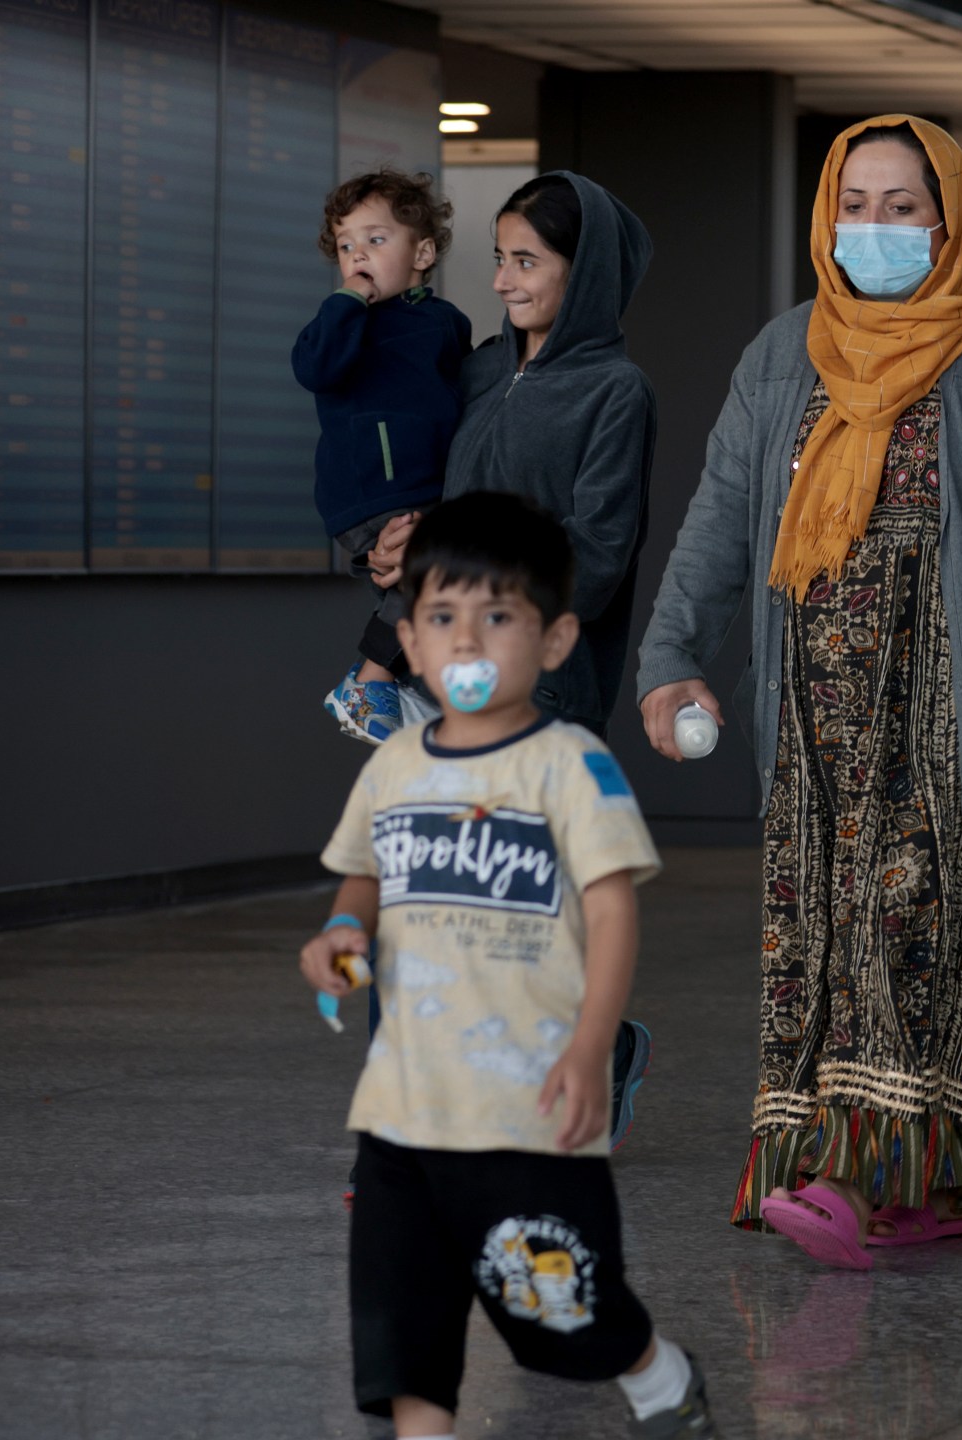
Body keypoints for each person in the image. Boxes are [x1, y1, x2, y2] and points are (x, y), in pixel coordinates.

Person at [634, 116, 962, 1266]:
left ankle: (852, 1179)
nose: (876, 228)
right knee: (825, 935)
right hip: (816, 714)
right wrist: (670, 653)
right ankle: (906, 1185)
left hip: (949, 703)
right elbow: (716, 521)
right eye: (856, 204)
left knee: (919, 934)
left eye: (903, 206)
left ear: (947, 220)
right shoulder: (785, 351)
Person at [299, 493, 717, 1438]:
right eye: (442, 618)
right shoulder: (396, 764)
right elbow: (364, 874)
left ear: (557, 639)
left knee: (564, 1313)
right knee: (406, 1335)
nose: (468, 643)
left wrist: (587, 1051)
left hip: (528, 1110)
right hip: (403, 1113)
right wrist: (340, 934)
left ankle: (655, 1374)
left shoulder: (570, 767)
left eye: (499, 618)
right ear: (409, 635)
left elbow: (612, 915)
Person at [370, 169, 661, 1148]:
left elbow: (601, 551)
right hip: (436, 689)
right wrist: (384, 545)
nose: (501, 280)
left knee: (523, 918)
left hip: (546, 694)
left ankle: (596, 1050)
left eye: (527, 261)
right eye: (496, 258)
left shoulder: (617, 391)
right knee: (418, 911)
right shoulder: (479, 372)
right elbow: (420, 495)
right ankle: (415, 1124)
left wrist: (500, 625)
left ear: (584, 276)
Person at [298, 170, 472, 745]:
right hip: (372, 491)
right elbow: (315, 369)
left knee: (441, 592)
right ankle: (368, 681)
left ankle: (402, 686)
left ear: (422, 253)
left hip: (427, 489)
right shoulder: (343, 323)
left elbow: (462, 402)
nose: (357, 256)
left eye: (375, 240)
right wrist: (348, 301)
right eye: (346, 245)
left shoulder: (446, 323)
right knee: (433, 577)